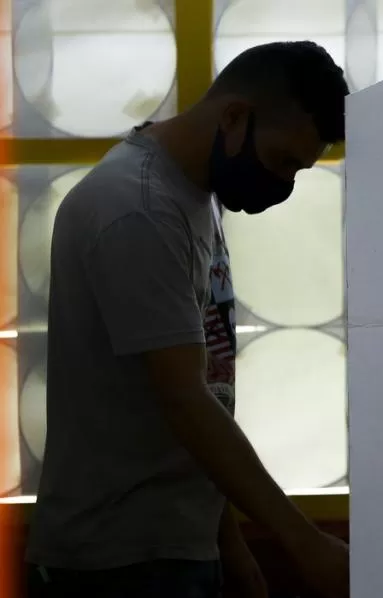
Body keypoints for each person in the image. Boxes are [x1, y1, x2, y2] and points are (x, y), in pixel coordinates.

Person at [24, 41, 350, 598]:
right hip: (118, 563)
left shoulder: (193, 194)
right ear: (232, 117)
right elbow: (185, 401)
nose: (283, 186)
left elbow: (205, 388)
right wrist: (303, 542)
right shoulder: (139, 210)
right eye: (280, 163)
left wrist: (226, 540)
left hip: (173, 547)